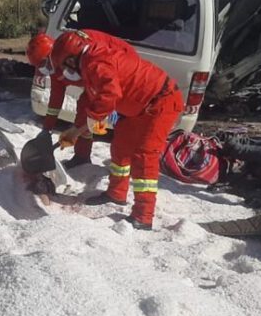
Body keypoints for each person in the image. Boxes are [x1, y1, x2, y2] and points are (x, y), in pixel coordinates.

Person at [53, 30, 184, 230]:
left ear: (71, 59)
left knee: (144, 157)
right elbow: (93, 101)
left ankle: (143, 216)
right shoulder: (89, 63)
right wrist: (77, 130)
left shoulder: (95, 63)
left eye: (64, 65)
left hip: (161, 102)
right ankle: (116, 193)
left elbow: (109, 94)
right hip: (139, 107)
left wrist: (87, 124)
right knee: (120, 148)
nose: (66, 71)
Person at [26, 30, 135, 168]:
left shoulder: (82, 53)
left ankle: (130, 161)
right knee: (84, 111)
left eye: (44, 64)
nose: (45, 70)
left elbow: (106, 85)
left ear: (52, 55)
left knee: (124, 125)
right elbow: (56, 97)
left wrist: (110, 106)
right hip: (96, 77)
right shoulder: (57, 62)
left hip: (119, 68)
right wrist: (47, 129)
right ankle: (82, 156)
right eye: (40, 67)